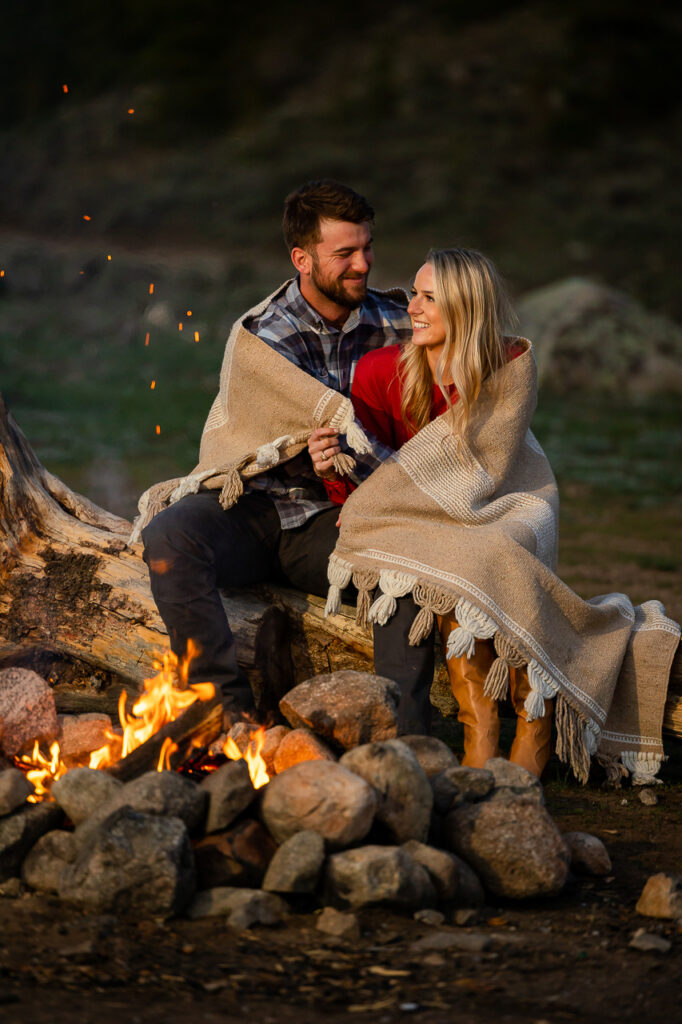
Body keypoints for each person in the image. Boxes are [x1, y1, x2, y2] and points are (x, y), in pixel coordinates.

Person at [138, 180, 412, 722]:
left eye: (367, 248)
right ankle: (223, 713)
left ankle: (405, 733)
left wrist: (355, 470)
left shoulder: (397, 324)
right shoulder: (262, 335)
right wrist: (295, 449)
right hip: (258, 507)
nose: (363, 264)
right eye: (345, 254)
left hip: (340, 519)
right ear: (302, 259)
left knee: (404, 574)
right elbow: (245, 438)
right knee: (170, 533)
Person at [314, 248, 552, 776]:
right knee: (457, 555)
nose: (412, 308)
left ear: (467, 308)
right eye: (413, 294)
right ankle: (481, 729)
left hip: (506, 504)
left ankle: (533, 720)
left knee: (491, 549)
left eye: (428, 298)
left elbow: (496, 466)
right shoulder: (379, 371)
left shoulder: (509, 365)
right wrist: (336, 470)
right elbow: (364, 484)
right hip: (412, 523)